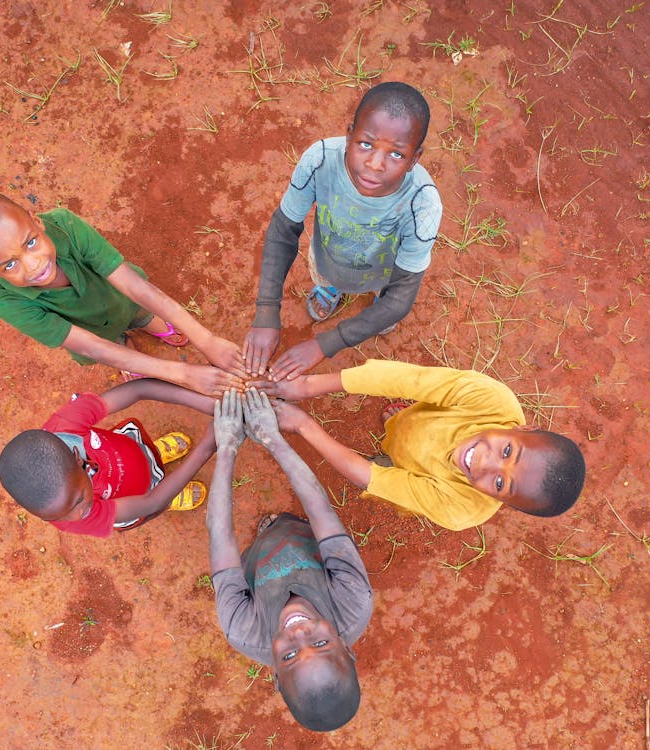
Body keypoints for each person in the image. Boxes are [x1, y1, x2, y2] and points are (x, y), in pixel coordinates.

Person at [242, 81, 442, 381]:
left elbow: (400, 297)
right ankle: (330, 287)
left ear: (415, 158)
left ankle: (374, 304)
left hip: (385, 273)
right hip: (328, 256)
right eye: (366, 144)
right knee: (326, 275)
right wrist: (267, 311)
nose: (375, 164)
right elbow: (283, 230)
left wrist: (326, 344)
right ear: (349, 135)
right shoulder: (319, 159)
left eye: (397, 154)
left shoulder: (422, 205)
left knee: (385, 303)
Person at [0, 192, 246, 396]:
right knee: (114, 347)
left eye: (30, 242)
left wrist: (206, 340)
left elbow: (134, 287)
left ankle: (145, 325)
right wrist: (185, 374)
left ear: (37, 222)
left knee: (141, 314)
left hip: (124, 300)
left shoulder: (64, 224)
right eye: (9, 264)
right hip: (95, 335)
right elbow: (93, 347)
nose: (33, 265)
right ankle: (127, 346)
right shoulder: (8, 304)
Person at [254, 359, 586, 532]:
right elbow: (404, 380)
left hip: (412, 474)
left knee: (385, 472)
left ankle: (393, 445)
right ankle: (397, 424)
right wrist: (308, 385)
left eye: (500, 484)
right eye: (508, 451)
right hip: (417, 423)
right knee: (403, 423)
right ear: (523, 427)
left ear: (502, 503)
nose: (484, 462)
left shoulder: (459, 510)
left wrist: (303, 424)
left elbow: (370, 477)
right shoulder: (493, 399)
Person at [208, 389, 373, 732]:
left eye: (289, 655)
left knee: (260, 545)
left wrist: (226, 448)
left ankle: (269, 532)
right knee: (303, 525)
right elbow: (320, 511)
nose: (299, 632)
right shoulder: (354, 602)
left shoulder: (243, 630)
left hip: (257, 561)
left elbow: (220, 536)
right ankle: (283, 526)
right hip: (307, 537)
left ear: (276, 677)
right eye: (320, 643)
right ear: (347, 648)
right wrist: (272, 437)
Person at [0, 378, 216, 537]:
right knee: (161, 498)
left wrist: (207, 404)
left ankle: (156, 457)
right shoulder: (73, 516)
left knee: (147, 456)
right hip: (139, 498)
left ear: (77, 459)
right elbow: (151, 503)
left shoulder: (66, 426)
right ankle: (171, 492)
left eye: (78, 502)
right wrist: (207, 445)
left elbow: (140, 388)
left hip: (127, 452)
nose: (77, 516)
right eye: (57, 517)